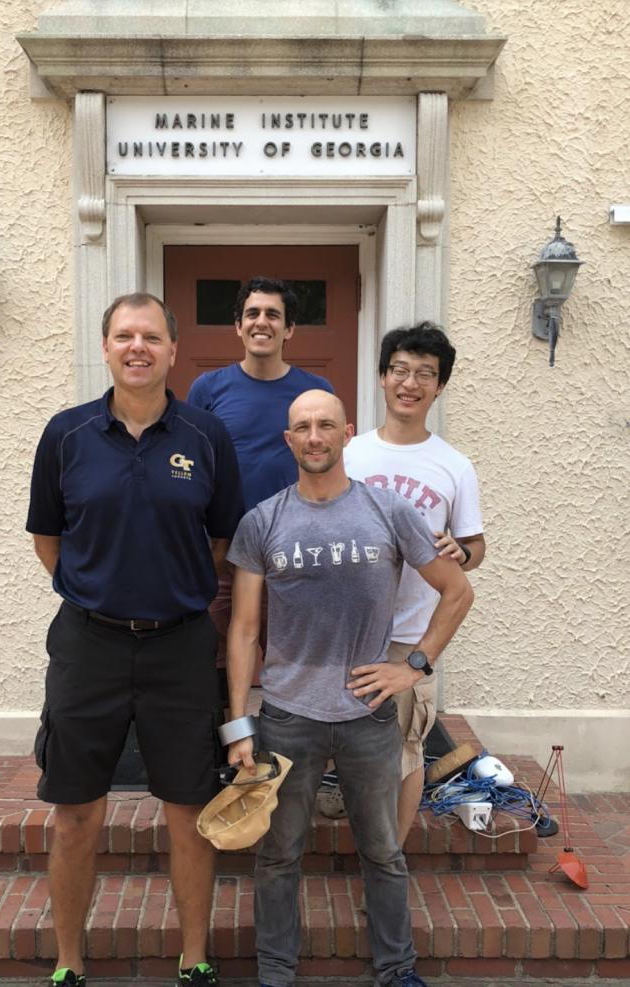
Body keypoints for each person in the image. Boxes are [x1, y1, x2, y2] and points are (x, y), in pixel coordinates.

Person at [26, 292, 244, 987]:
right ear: (106, 347)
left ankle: (194, 956)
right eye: (124, 335)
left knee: (189, 809)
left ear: (174, 350)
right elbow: (47, 537)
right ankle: (69, 960)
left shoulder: (207, 436)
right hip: (88, 644)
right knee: (75, 813)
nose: (138, 347)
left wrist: (163, 591)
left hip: (180, 646)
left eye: (151, 335)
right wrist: (101, 592)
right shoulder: (66, 434)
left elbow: (219, 541)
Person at [224, 389, 474, 987]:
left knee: (383, 852)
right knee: (279, 854)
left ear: (346, 434)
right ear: (290, 440)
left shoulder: (389, 512)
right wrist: (238, 725)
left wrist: (414, 665)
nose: (314, 436)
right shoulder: (264, 521)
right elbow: (243, 628)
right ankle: (275, 973)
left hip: (368, 713)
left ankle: (396, 968)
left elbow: (457, 589)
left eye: (326, 426)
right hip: (287, 716)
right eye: (303, 427)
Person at [340, 322, 485, 842]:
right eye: (400, 370)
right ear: (382, 377)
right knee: (346, 741)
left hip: (410, 635)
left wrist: (461, 551)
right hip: (347, 629)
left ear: (439, 386)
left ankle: (389, 863)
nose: (411, 382)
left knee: (404, 753)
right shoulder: (350, 452)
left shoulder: (454, 466)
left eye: (425, 374)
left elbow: (474, 548)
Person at [186, 276, 333, 682]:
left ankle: (286, 746)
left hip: (296, 553)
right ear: (238, 325)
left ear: (288, 329)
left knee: (298, 667)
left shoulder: (315, 391)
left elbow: (332, 469)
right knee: (214, 664)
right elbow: (190, 471)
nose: (261, 322)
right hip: (223, 556)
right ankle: (223, 745)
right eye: (252, 313)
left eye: (273, 314)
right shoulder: (208, 389)